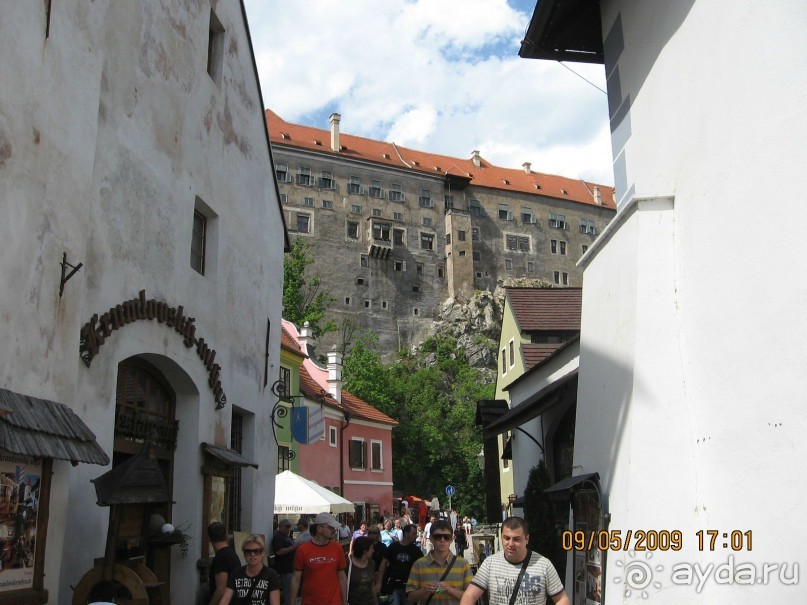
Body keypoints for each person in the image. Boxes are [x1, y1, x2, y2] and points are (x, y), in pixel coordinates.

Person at [459, 517, 570, 605]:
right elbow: (469, 596)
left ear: (527, 539)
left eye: (516, 539)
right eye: (507, 538)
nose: (511, 544)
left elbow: (562, 599)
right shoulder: (490, 563)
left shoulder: (543, 565)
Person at [406, 520, 472, 605]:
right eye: (438, 537)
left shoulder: (463, 564)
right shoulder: (419, 565)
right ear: (431, 539)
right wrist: (425, 590)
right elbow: (410, 598)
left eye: (446, 537)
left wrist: (450, 590)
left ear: (452, 539)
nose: (442, 540)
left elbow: (470, 597)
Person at [290, 512, 347, 605]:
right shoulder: (303, 550)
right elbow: (296, 578)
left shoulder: (337, 548)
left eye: (334, 528)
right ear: (319, 529)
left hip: (334, 601)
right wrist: (292, 602)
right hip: (310, 602)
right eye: (330, 527)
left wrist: (344, 601)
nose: (334, 530)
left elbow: (342, 576)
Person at [221, 534, 281, 605]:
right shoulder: (236, 574)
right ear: (244, 554)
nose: (252, 554)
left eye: (257, 551)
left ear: (263, 553)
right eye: (248, 551)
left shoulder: (271, 575)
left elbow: (275, 602)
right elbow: (225, 600)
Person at [378, 523, 423, 605]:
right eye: (413, 533)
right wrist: (379, 582)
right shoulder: (393, 547)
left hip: (410, 588)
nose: (416, 536)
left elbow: (422, 568)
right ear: (406, 534)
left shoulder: (416, 551)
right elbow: (383, 564)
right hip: (394, 586)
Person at [208, 521, 242, 605]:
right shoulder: (232, 553)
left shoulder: (221, 558)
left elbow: (221, 589)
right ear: (225, 535)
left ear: (210, 538)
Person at [271, 519, 297, 605]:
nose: (288, 529)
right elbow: (278, 551)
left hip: (290, 568)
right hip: (285, 569)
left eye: (289, 527)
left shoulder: (286, 536)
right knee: (288, 591)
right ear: (280, 526)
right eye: (287, 527)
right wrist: (293, 548)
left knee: (290, 591)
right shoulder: (278, 537)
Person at [347, 536, 377, 605]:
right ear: (365, 551)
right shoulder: (348, 564)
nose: (373, 550)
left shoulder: (372, 563)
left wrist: (376, 602)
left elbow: (372, 585)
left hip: (369, 602)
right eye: (371, 548)